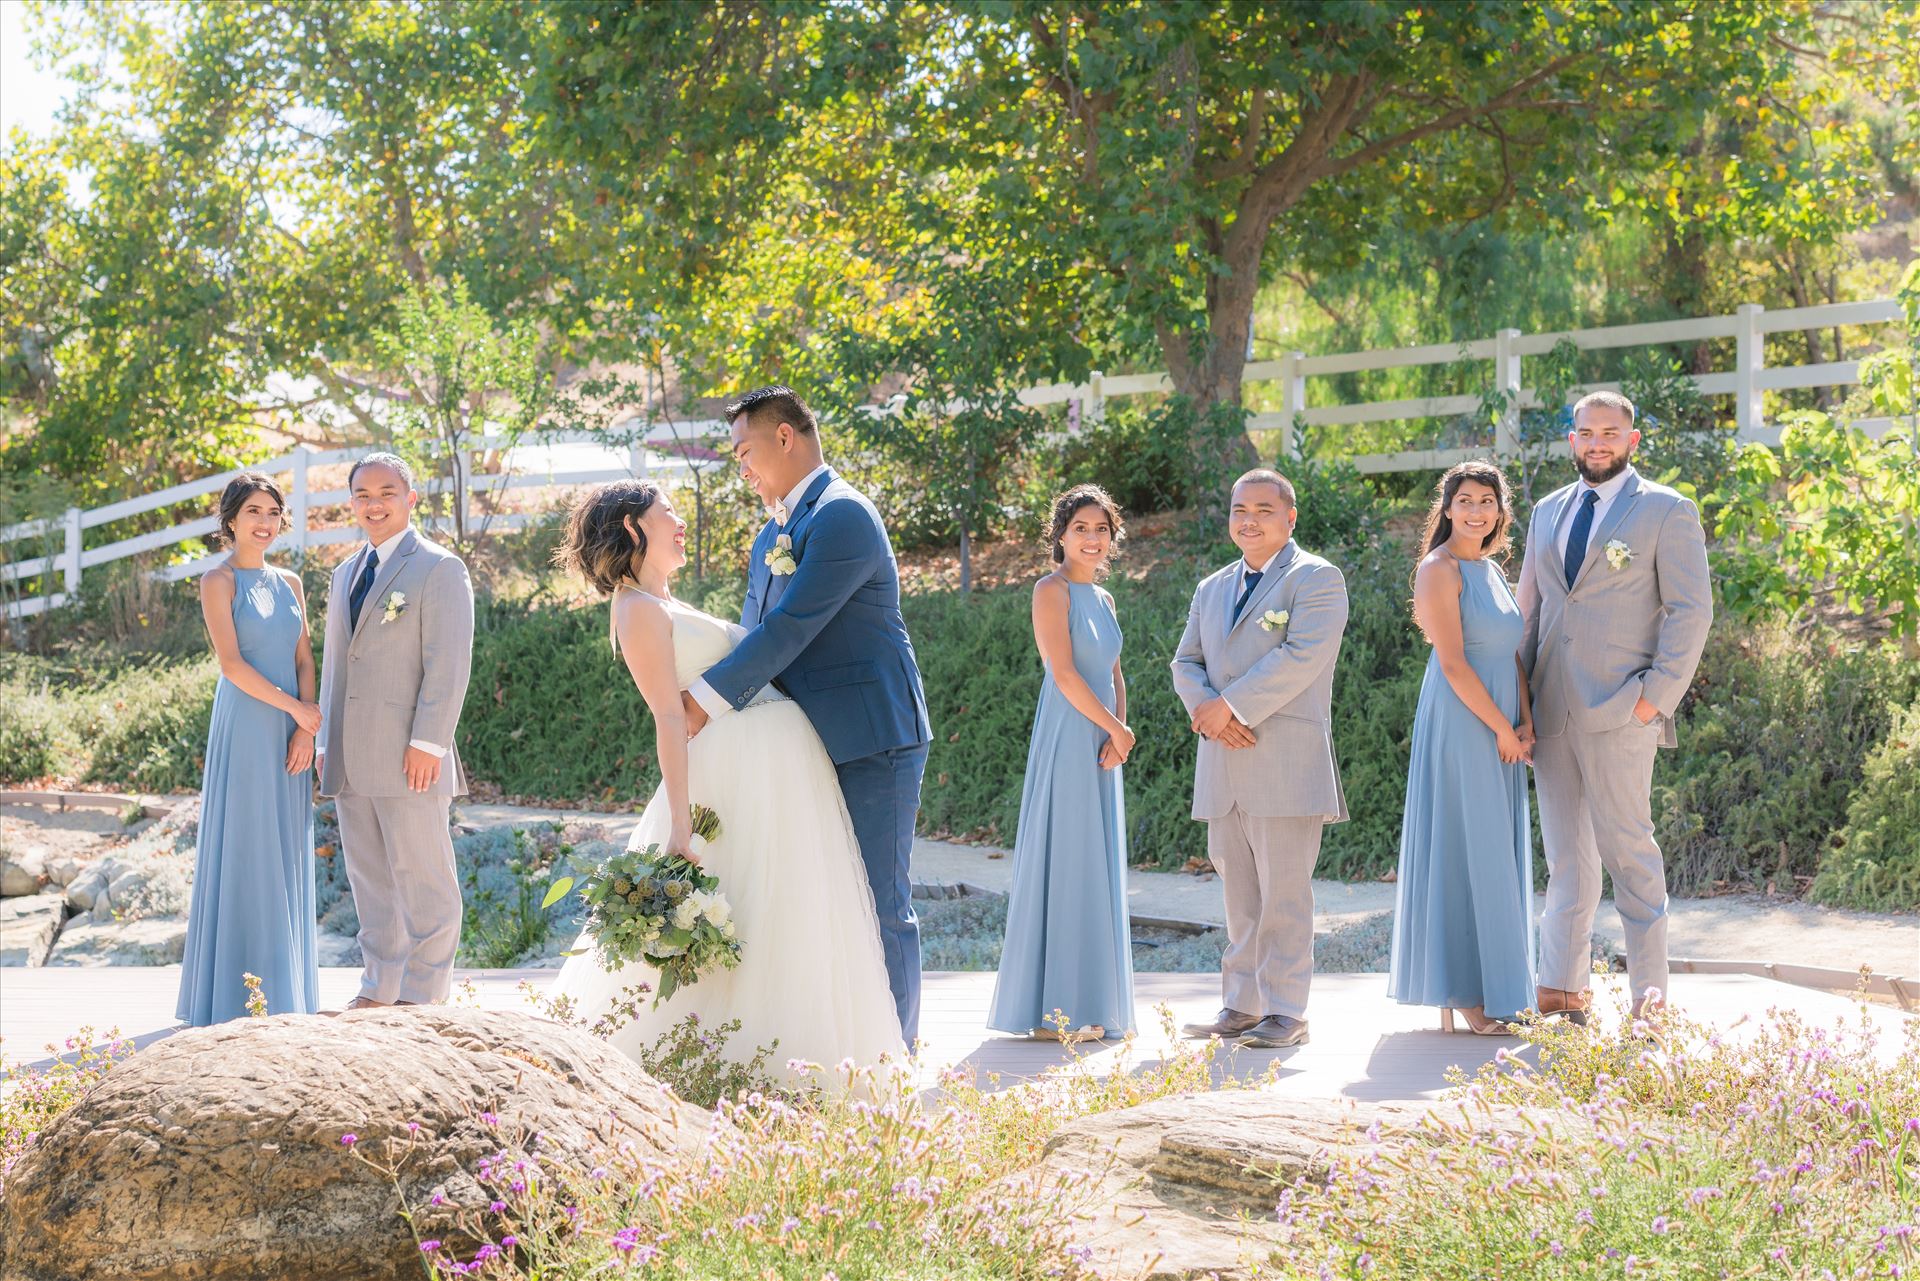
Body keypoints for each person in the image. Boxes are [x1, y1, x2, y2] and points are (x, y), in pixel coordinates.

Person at [548, 480, 906, 1084]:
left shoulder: (669, 602)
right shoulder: (635, 608)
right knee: (747, 911)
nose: (681, 523)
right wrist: (680, 823)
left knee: (784, 915)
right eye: (669, 514)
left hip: (777, 772)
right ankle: (719, 1064)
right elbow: (668, 716)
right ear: (634, 527)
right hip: (735, 776)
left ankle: (792, 1063)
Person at [679, 386, 934, 1047]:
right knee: (823, 904)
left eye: (745, 452)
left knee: (880, 906)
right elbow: (751, 633)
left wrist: (702, 699)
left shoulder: (844, 516)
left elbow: (792, 626)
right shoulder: (774, 529)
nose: (743, 468)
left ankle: (898, 1062)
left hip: (870, 737)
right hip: (803, 740)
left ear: (785, 438)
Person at [1516, 390, 1713, 1024]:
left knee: (1630, 858)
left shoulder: (1664, 510)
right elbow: (1532, 612)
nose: (1597, 442)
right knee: (1567, 861)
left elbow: (1691, 611)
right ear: (1571, 440)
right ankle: (1561, 995)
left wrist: (1654, 701)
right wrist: (1516, 702)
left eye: (1610, 432)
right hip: (1550, 715)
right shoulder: (1547, 512)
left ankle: (1648, 1010)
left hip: (1623, 710)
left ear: (1632, 441)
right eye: (1585, 432)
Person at [1171, 469, 1349, 1050]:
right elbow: (1185, 663)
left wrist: (1230, 708)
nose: (1249, 519)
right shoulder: (1212, 587)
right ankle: (1242, 1005)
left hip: (1284, 759)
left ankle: (1288, 1011)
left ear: (1290, 517)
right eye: (1239, 508)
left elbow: (1302, 656)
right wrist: (1209, 712)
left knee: (1285, 894)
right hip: (1223, 761)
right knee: (1240, 894)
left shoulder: (1316, 578)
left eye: (1264, 509)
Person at [315, 452, 475, 1010]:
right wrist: (323, 743)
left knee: (424, 878)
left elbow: (449, 664)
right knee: (370, 882)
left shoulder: (438, 567)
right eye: (362, 494)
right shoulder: (344, 574)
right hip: (349, 756)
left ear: (411, 499)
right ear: (352, 503)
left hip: (411, 753)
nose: (373, 503)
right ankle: (379, 989)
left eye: (386, 492)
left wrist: (429, 742)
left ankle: (424, 996)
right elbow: (338, 666)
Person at [1387, 461, 1534, 1035]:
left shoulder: (1493, 570)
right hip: (1463, 718)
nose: (1477, 511)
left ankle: (1491, 987)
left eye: (1488, 502)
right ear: (1447, 508)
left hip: (1501, 719)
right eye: (1466, 500)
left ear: (1500, 511)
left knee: (1492, 849)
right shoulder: (1438, 569)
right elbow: (1452, 662)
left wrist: (1525, 721)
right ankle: (1467, 993)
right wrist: (1500, 726)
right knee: (1468, 848)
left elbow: (1510, 652)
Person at [988, 484, 1137, 1044]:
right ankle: (1054, 1014)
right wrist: (1115, 728)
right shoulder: (1050, 591)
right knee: (1068, 861)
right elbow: (1065, 674)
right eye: (1082, 529)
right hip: (1069, 732)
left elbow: (1115, 673)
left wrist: (1120, 729)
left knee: (1094, 866)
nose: (1092, 538)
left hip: (1102, 737)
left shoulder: (1105, 599)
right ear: (1060, 535)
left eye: (1101, 529)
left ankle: (1092, 1003)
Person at [176, 473, 321, 1025]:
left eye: (273, 512)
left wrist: (308, 727)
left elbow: (305, 659)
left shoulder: (291, 582)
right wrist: (295, 710)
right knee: (247, 846)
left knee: (283, 845)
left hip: (291, 729)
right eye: (253, 511)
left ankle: (287, 994)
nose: (264, 522)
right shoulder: (219, 581)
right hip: (248, 725)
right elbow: (231, 665)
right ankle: (236, 996)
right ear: (231, 520)